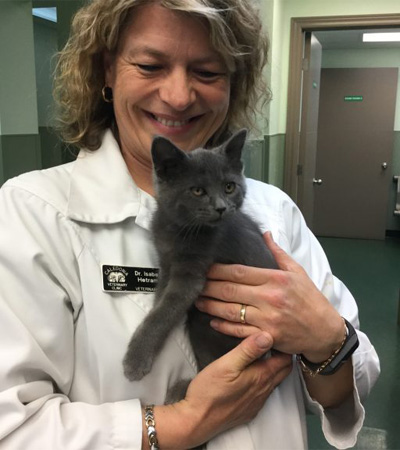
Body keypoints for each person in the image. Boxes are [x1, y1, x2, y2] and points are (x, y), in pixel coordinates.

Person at [0, 0, 380, 448]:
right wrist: (185, 421)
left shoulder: (274, 210)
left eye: (207, 72)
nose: (179, 96)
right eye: (149, 64)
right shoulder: (30, 211)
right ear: (107, 70)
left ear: (233, 84)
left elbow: (354, 382)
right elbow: (14, 427)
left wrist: (327, 340)